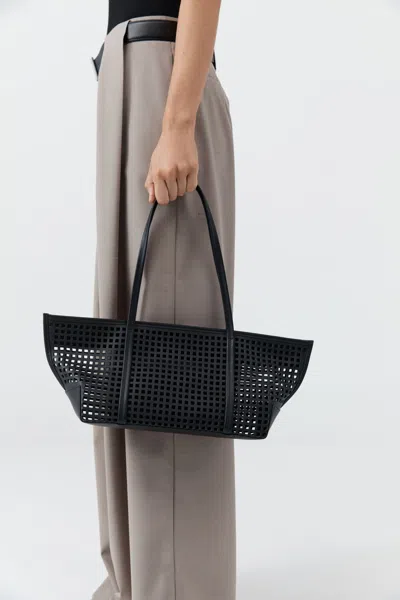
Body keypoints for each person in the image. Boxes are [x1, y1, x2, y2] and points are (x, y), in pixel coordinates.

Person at [91, 0, 236, 598]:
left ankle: (179, 588)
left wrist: (177, 124)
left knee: (168, 356)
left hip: (165, 74)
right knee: (129, 348)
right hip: (130, 74)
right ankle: (134, 577)